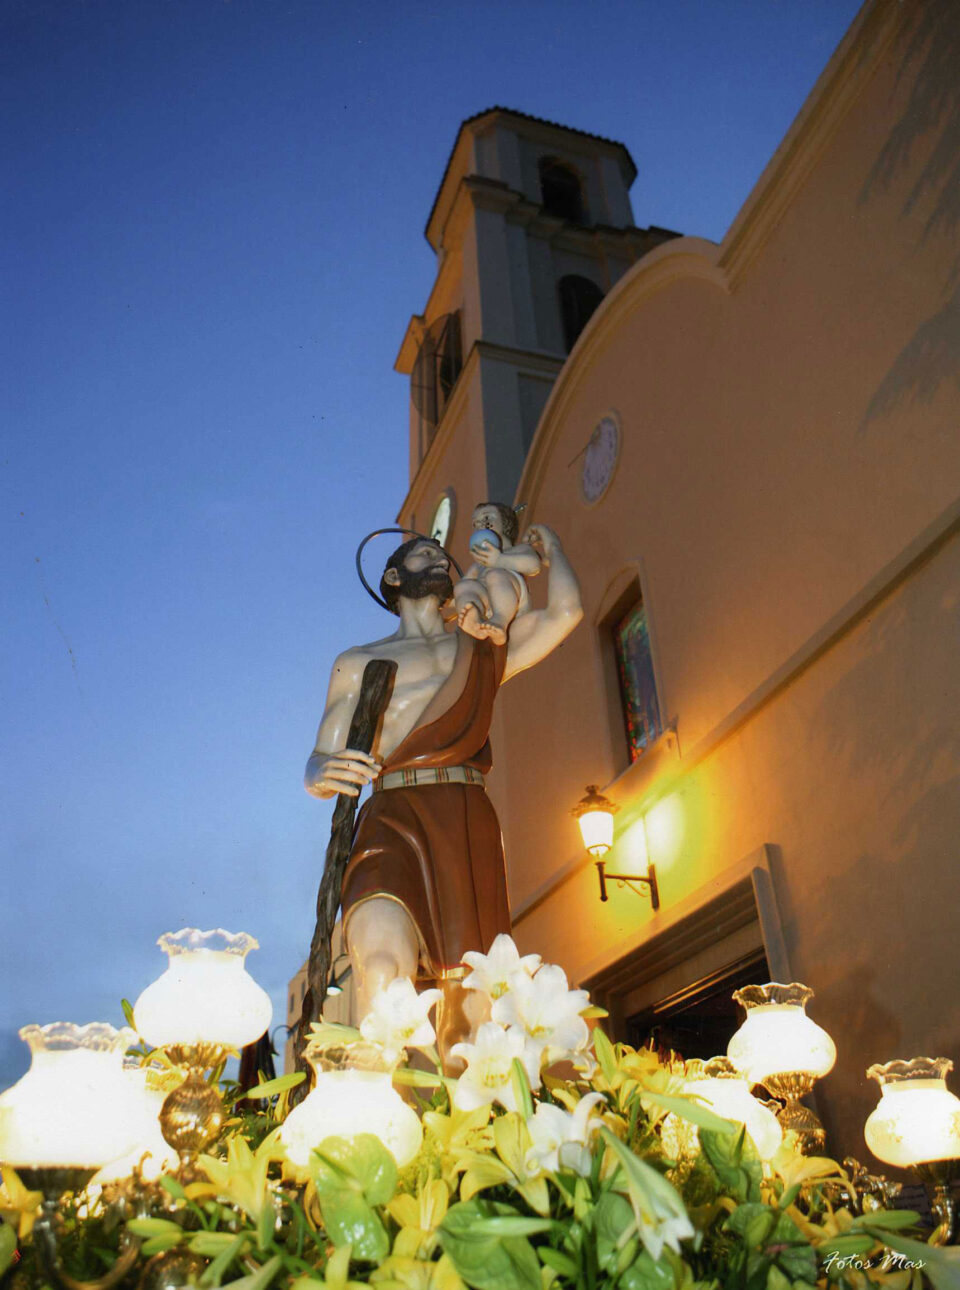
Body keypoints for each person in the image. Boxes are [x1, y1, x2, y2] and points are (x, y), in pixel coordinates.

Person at [304, 525, 581, 1063]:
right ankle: (378, 1102)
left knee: (473, 1003)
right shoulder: (358, 661)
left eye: (440, 556)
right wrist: (319, 773)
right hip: (388, 817)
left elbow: (566, 614)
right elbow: (320, 757)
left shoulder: (481, 645)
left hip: (463, 818)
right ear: (393, 577)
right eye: (423, 554)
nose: (438, 560)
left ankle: (460, 1124)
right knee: (382, 965)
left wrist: (557, 550)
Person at [454, 501, 542, 645]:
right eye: (475, 524)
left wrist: (499, 560)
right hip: (486, 604)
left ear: (506, 524)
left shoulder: (517, 550)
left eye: (487, 519)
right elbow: (464, 585)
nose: (480, 525)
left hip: (512, 601)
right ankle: (474, 621)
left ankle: (500, 621)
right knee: (463, 587)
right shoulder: (478, 565)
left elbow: (533, 565)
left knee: (495, 575)